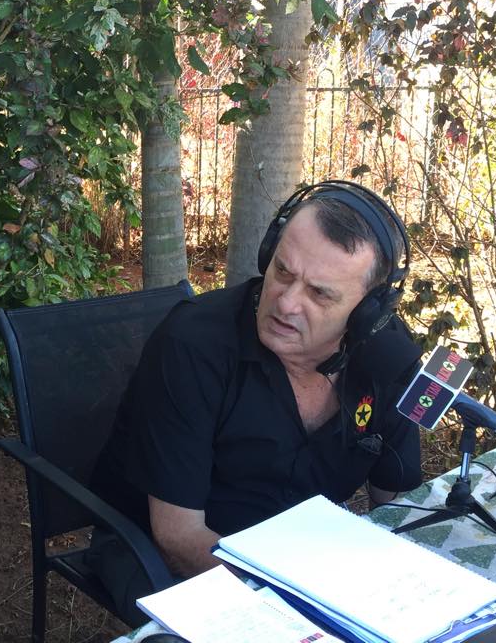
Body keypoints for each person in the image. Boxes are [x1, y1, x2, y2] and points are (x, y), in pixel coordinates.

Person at [89, 180, 423, 621]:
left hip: (302, 561)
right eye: (282, 271)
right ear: (268, 254)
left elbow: (398, 506)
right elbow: (178, 540)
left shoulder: (384, 357)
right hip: (164, 557)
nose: (286, 303)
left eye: (319, 293)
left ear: (367, 313)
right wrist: (296, 606)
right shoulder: (193, 347)